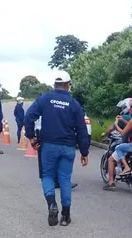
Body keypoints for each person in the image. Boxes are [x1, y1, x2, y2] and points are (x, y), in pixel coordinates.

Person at [24, 70, 89, 227]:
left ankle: (52, 204)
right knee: (65, 179)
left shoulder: (45, 99)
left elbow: (29, 117)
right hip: (68, 147)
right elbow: (82, 129)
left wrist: (32, 137)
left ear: (55, 85)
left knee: (47, 175)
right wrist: (84, 151)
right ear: (68, 85)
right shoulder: (74, 104)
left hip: (48, 146)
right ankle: (66, 216)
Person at [103, 95, 132, 190]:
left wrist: (117, 123)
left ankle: (116, 177)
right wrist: (122, 120)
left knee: (118, 149)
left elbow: (123, 132)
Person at [35, 116, 79, 190]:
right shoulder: (45, 107)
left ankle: (57, 181)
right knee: (51, 162)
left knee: (58, 161)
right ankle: (53, 182)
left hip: (49, 134)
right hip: (44, 134)